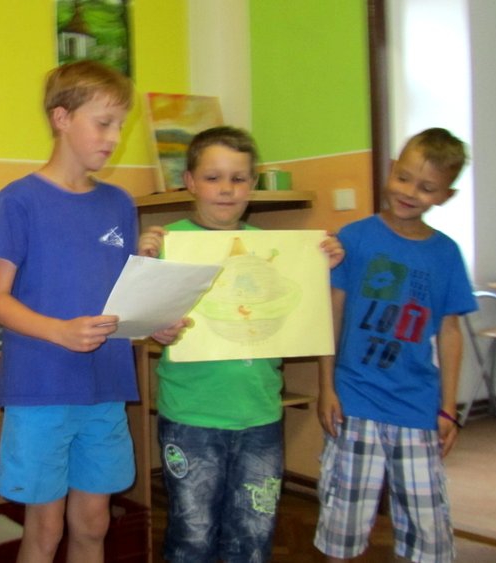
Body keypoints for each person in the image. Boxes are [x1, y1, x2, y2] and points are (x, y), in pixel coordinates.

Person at [0, 60, 186, 563]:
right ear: (62, 117)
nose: (114, 138)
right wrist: (60, 332)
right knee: (45, 529)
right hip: (42, 390)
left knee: (94, 523)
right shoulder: (19, 200)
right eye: (104, 123)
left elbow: (121, 300)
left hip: (105, 387)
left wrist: (154, 324)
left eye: (120, 125)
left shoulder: (118, 203)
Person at [138, 125, 344, 562]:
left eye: (238, 178)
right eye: (213, 178)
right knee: (192, 535)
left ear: (252, 184)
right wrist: (146, 270)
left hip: (260, 415)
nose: (226, 189)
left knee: (253, 534)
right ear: (190, 182)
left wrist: (318, 264)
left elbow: (301, 307)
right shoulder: (168, 243)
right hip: (191, 416)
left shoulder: (274, 250)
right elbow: (139, 321)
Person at [314, 128, 475, 562]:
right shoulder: (354, 238)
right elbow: (330, 316)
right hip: (354, 403)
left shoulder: (446, 254)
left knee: (428, 532)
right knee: (343, 527)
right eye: (404, 178)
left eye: (427, 187)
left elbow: (451, 333)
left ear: (445, 196)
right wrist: (326, 386)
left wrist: (448, 408)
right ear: (390, 170)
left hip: (417, 408)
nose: (410, 192)